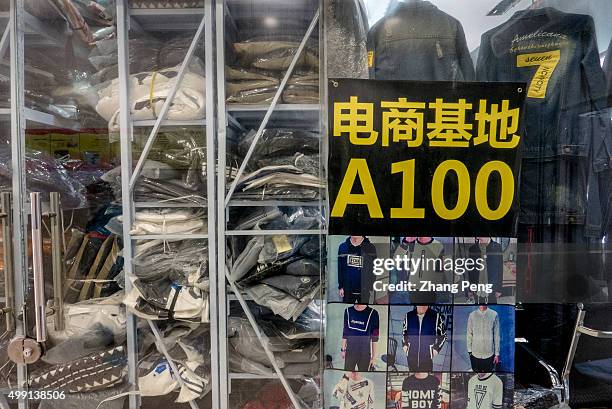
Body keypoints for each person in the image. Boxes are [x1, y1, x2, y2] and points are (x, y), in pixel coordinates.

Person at [402, 305, 447, 371]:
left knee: (427, 377)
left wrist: (436, 349)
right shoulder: (409, 316)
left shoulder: (436, 316)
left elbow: (443, 335)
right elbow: (404, 333)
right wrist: (405, 345)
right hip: (411, 356)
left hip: (427, 358)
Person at [338, 236, 377, 304]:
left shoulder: (370, 247)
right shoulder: (343, 247)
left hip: (364, 289)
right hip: (347, 289)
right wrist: (341, 286)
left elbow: (373, 268)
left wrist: (370, 286)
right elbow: (340, 267)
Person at [342, 304, 380, 371]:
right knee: (348, 374)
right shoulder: (348, 311)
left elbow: (375, 338)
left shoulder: (373, 313)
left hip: (364, 354)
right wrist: (343, 349)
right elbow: (345, 333)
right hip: (350, 353)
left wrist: (374, 357)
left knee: (363, 376)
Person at [468, 238, 504, 304]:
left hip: (492, 287)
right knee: (478, 309)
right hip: (477, 286)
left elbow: (500, 269)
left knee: (492, 308)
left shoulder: (497, 247)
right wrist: (470, 288)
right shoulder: (472, 248)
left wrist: (499, 289)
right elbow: (470, 270)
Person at [467, 306, 500, 372]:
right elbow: (469, 333)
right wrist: (469, 351)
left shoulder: (494, 314)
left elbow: (496, 335)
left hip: (489, 354)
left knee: (488, 376)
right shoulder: (472, 315)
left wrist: (497, 354)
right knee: (476, 375)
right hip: (475, 353)